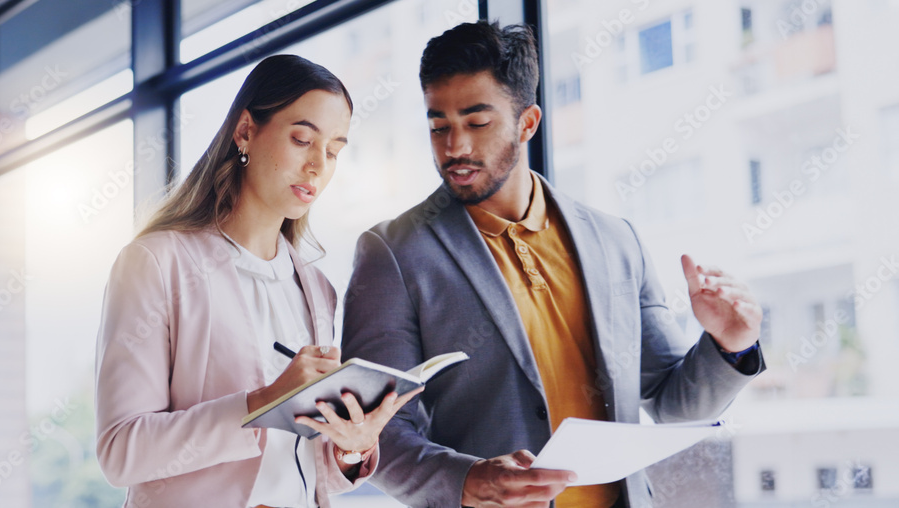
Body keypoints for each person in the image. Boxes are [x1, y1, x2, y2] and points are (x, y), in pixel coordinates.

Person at [341, 21, 765, 508]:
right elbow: (371, 428)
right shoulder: (392, 252)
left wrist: (730, 345)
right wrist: (466, 479)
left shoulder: (616, 241)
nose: (454, 147)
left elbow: (672, 405)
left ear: (528, 122)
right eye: (439, 126)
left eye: (477, 123)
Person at [94, 54, 420, 508]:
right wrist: (264, 402)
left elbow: (309, 466)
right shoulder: (154, 263)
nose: (317, 166)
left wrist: (352, 445)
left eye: (333, 151)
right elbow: (121, 453)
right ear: (246, 130)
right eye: (302, 139)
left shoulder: (316, 288)